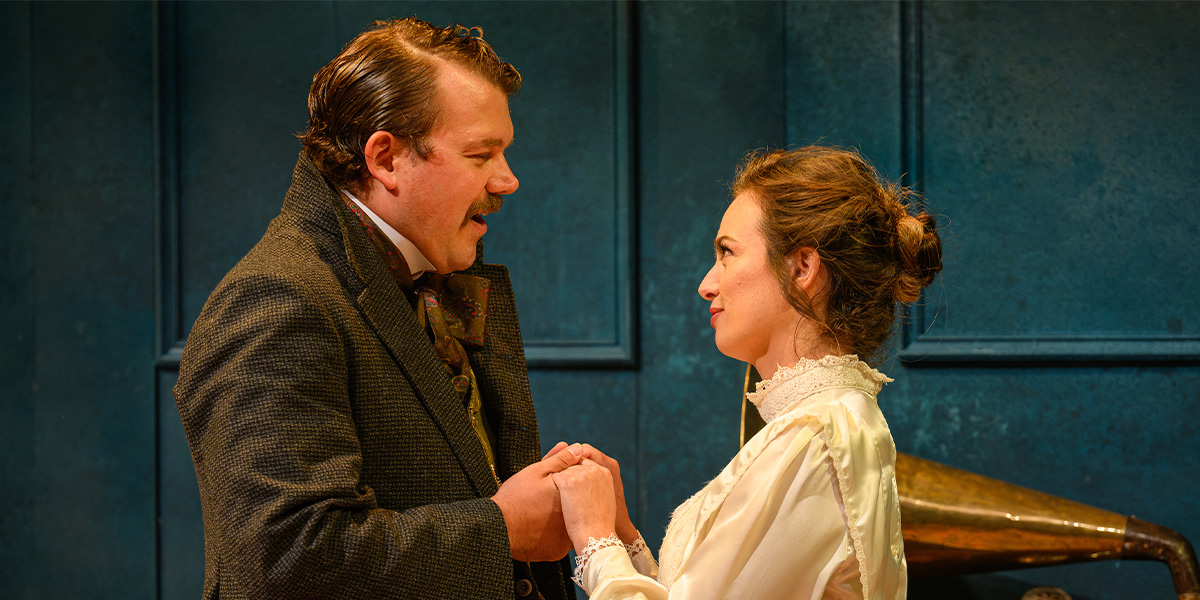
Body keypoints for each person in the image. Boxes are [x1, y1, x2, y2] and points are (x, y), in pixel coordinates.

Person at [173, 18, 579, 599]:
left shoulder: (436, 271)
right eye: (480, 154)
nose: (507, 180)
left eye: (504, 152)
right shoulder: (278, 299)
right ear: (385, 158)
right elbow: (285, 560)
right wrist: (503, 528)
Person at [552, 146, 943, 599]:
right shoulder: (829, 423)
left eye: (727, 252)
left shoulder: (815, 437)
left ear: (802, 267)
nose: (707, 284)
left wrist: (594, 541)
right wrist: (623, 536)